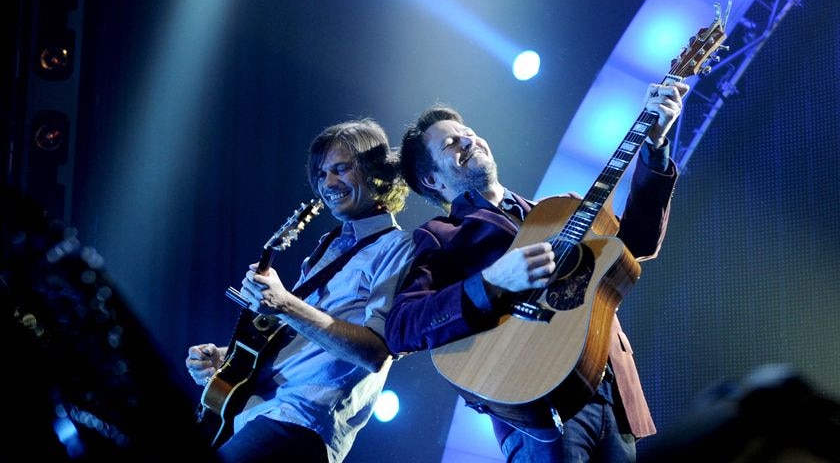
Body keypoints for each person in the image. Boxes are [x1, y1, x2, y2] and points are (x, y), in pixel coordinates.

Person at [384, 81, 689, 462]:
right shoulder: (441, 236)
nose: (467, 141)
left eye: (468, 134)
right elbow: (401, 329)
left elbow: (637, 244)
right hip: (537, 410)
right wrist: (491, 281)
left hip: (610, 392)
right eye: (450, 144)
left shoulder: (561, 211)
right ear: (431, 180)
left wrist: (655, 147)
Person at [185, 118, 414, 463]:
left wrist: (286, 304)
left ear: (375, 174)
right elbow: (297, 335)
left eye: (341, 169)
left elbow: (375, 353)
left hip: (304, 421)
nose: (328, 183)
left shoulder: (399, 247)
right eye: (321, 174)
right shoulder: (329, 245)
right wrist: (227, 358)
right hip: (259, 410)